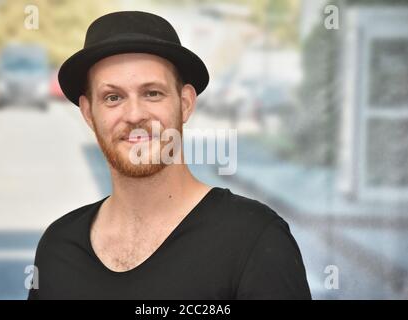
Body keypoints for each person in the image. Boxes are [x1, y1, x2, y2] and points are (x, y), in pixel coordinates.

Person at [28, 11, 311, 300]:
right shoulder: (58, 248)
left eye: (152, 93)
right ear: (89, 113)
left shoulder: (254, 240)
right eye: (113, 97)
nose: (135, 114)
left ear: (186, 103)